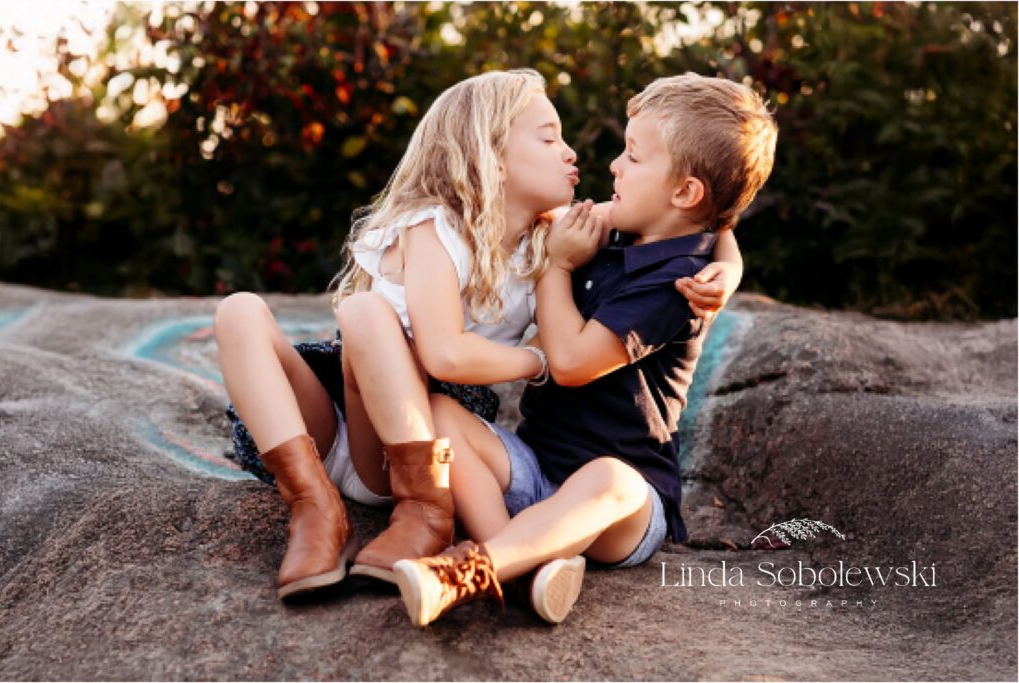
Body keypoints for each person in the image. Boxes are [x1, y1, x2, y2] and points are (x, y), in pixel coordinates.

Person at [213, 69, 744, 600]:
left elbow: (698, 216)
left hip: (446, 455)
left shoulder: (580, 241)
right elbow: (446, 353)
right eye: (548, 137)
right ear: (491, 156)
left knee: (610, 478)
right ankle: (315, 507)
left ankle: (476, 556)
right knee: (264, 312)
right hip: (365, 426)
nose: (580, 155)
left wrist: (727, 262)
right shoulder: (445, 227)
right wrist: (536, 355)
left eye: (630, 154)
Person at [389, 72, 779, 627]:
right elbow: (713, 221)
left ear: (685, 192)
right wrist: (731, 254)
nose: (615, 166)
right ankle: (522, 564)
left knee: (611, 478)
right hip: (536, 468)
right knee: (438, 414)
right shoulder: (621, 226)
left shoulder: (678, 283)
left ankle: (469, 571)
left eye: (634, 157)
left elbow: (569, 364)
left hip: (620, 510)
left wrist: (559, 264)